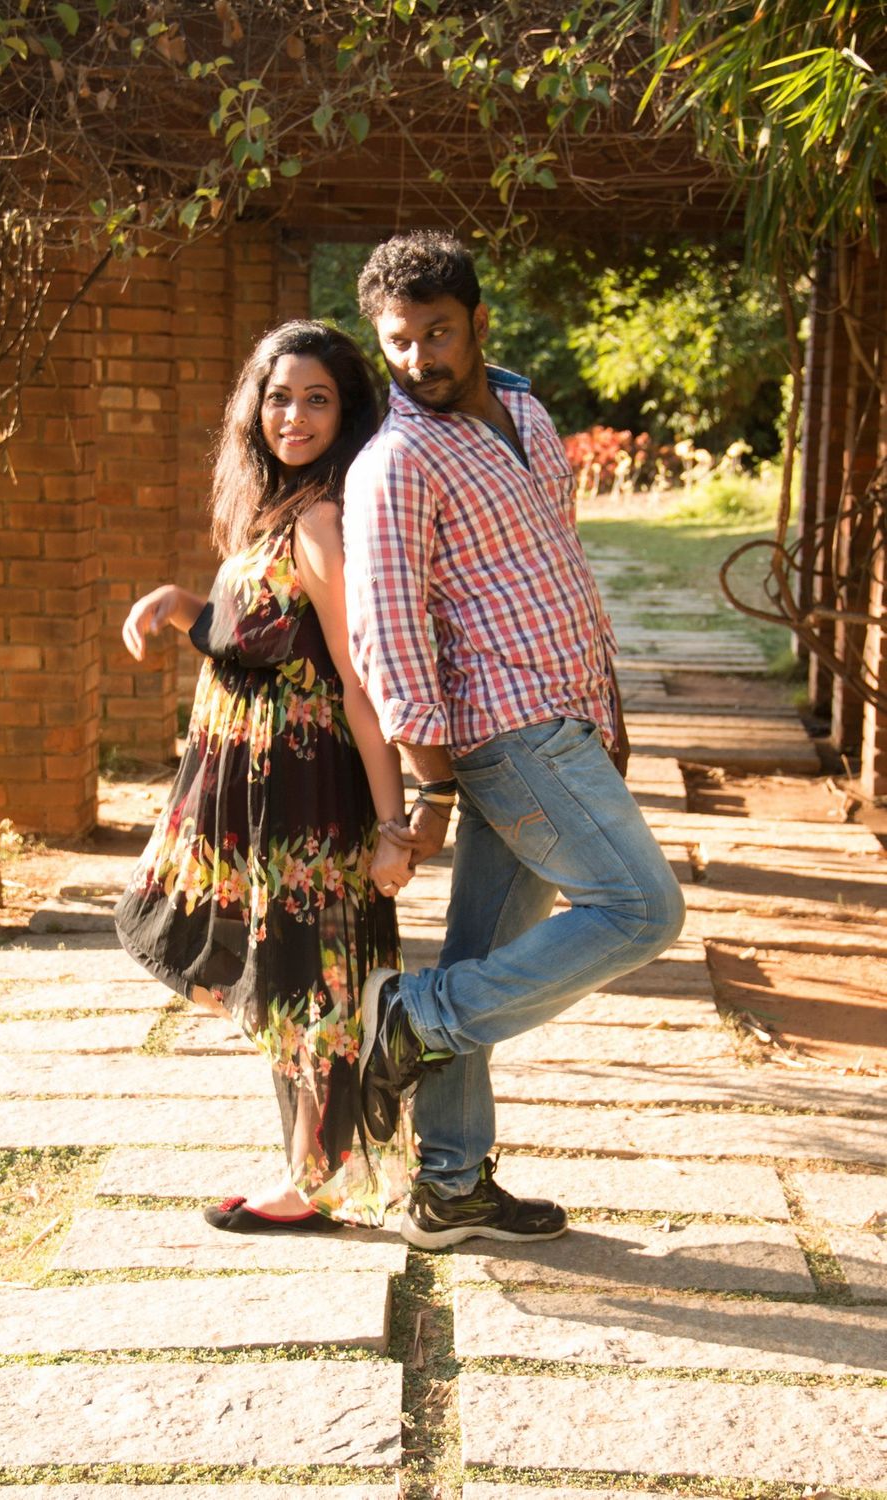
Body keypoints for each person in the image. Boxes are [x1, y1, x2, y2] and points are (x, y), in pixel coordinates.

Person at [342, 231, 686, 1249]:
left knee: (485, 953)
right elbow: (388, 635)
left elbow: (560, 566)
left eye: (437, 333)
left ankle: (449, 1185)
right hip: (508, 732)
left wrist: (610, 708)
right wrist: (432, 787)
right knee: (640, 910)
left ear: (478, 321)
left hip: (569, 712)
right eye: (398, 342)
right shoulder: (395, 462)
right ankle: (413, 1019)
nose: (419, 359)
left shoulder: (527, 412)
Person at [115, 320, 415, 1233]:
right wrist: (181, 604)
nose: (294, 416)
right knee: (283, 975)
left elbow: (359, 684)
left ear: (347, 412)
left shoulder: (321, 521)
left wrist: (395, 828)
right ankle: (312, 1169)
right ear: (254, 406)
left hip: (306, 800)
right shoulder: (276, 511)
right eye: (279, 397)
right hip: (256, 803)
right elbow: (261, 635)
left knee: (308, 982)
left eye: (317, 399)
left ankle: (311, 1181)